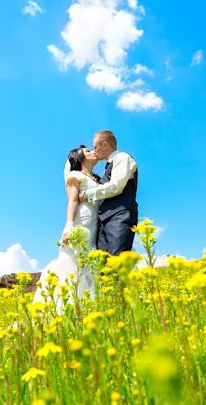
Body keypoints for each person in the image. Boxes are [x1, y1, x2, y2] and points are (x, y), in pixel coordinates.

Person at [33, 146, 100, 306]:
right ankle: (62, 305)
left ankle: (85, 305)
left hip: (94, 223)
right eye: (88, 152)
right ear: (80, 158)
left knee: (88, 263)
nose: (93, 152)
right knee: (73, 260)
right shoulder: (75, 175)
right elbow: (73, 201)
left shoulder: (97, 179)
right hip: (80, 221)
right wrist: (69, 225)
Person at [80, 130, 138, 256]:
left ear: (105, 144)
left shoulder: (123, 157)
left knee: (117, 263)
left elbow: (116, 186)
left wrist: (86, 194)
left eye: (95, 147)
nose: (94, 151)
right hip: (103, 222)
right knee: (103, 268)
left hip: (120, 216)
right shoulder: (108, 168)